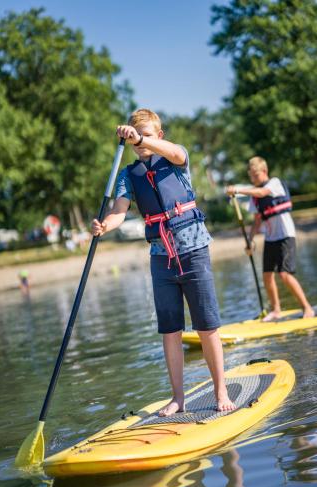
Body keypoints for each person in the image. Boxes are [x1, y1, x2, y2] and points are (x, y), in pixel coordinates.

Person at [92, 108, 235, 416]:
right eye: (135, 136)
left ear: (159, 135)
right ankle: (177, 398)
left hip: (194, 249)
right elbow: (119, 210)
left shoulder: (176, 156)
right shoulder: (128, 175)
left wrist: (142, 137)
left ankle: (220, 390)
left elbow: (174, 152)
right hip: (161, 258)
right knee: (170, 330)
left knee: (207, 326)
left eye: (146, 135)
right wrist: (106, 225)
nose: (140, 141)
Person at [226, 156, 314, 322]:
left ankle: (307, 308)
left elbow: (262, 192)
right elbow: (257, 220)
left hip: (286, 235)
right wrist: (250, 241)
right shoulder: (254, 197)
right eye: (251, 176)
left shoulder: (274, 183)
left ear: (264, 171)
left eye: (255, 175)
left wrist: (237, 190)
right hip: (270, 238)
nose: (253, 178)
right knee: (267, 275)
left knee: (284, 274)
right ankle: (276, 310)